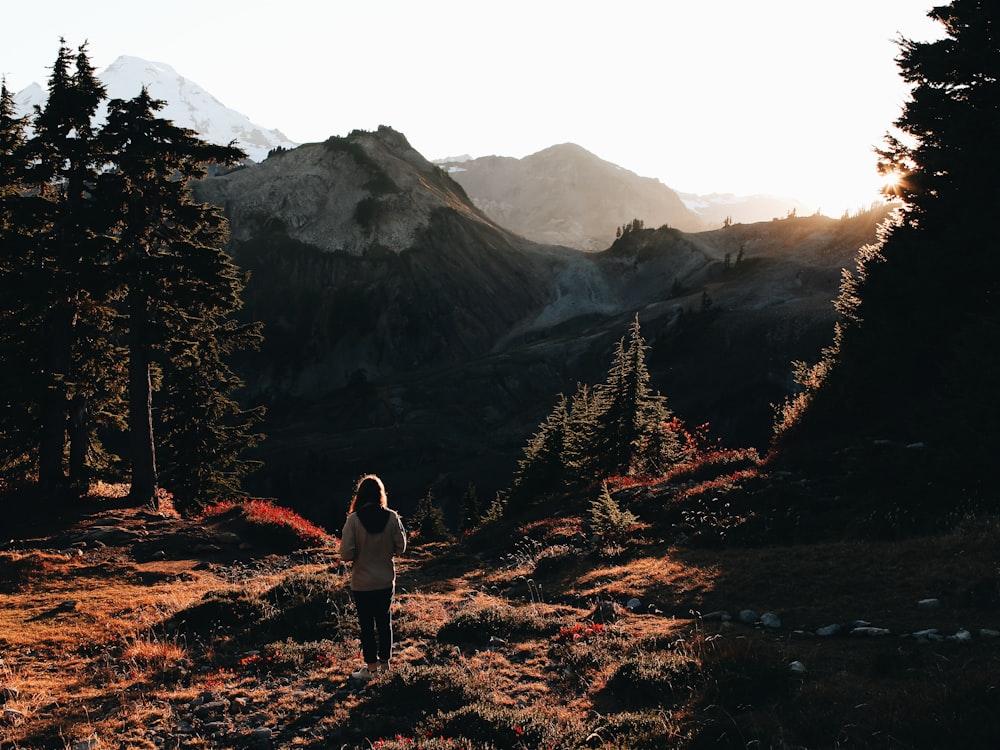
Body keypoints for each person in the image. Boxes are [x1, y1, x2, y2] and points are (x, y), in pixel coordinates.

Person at [340, 473, 407, 682]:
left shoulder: (353, 520)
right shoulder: (392, 517)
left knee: (367, 626)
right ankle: (386, 664)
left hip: (362, 582)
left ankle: (371, 668)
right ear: (380, 494)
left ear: (359, 496)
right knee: (384, 622)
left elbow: (345, 554)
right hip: (385, 580)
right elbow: (401, 547)